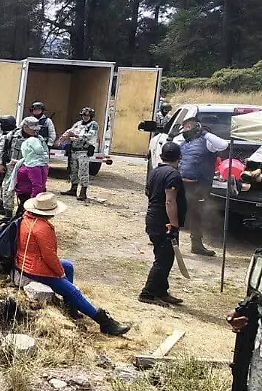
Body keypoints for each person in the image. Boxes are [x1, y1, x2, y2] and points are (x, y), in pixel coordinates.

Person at [17, 193, 131, 336]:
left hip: (25, 262)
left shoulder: (27, 219)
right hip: (36, 269)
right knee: (73, 291)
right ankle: (104, 323)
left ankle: (70, 306)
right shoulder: (43, 228)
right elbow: (49, 256)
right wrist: (60, 274)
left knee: (68, 265)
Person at [139, 142, 188, 306]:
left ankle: (161, 291)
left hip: (154, 218)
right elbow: (169, 201)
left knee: (165, 256)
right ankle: (148, 293)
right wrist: (173, 225)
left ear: (161, 156)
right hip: (163, 222)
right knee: (163, 259)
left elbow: (149, 193)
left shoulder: (154, 172)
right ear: (179, 157)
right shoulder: (173, 175)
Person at [172, 116, 228, 257]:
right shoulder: (184, 143)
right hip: (181, 183)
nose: (186, 130)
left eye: (188, 127)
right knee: (175, 213)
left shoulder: (207, 142)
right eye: (184, 128)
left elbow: (223, 145)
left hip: (198, 186)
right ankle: (171, 242)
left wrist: (204, 133)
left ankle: (196, 245)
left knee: (195, 215)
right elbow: (171, 149)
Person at [60, 107, 99, 201]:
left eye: (87, 115)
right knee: (73, 170)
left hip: (84, 151)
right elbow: (70, 131)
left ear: (91, 116)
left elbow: (90, 135)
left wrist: (76, 135)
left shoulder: (93, 125)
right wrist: (64, 137)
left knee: (83, 171)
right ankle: (73, 189)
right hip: (74, 150)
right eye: (84, 115)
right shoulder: (78, 124)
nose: (85, 117)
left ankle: (83, 192)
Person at [14, 117, 48, 216]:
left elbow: (38, 185)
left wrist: (33, 203)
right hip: (17, 169)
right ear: (25, 127)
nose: (35, 130)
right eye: (32, 128)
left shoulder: (39, 140)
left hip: (28, 190)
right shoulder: (13, 135)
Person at [0, 115, 20, 217]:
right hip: (2, 164)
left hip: (6, 165)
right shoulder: (5, 135)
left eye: (1, 124)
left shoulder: (10, 136)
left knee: (4, 188)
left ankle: (3, 208)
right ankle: (0, 205)